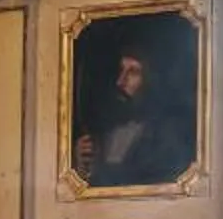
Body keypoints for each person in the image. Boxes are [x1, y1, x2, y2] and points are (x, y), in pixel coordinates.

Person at [72, 48, 194, 188]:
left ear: (152, 80)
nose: (120, 82)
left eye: (133, 72)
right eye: (121, 70)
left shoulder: (169, 134)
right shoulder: (108, 129)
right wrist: (82, 170)